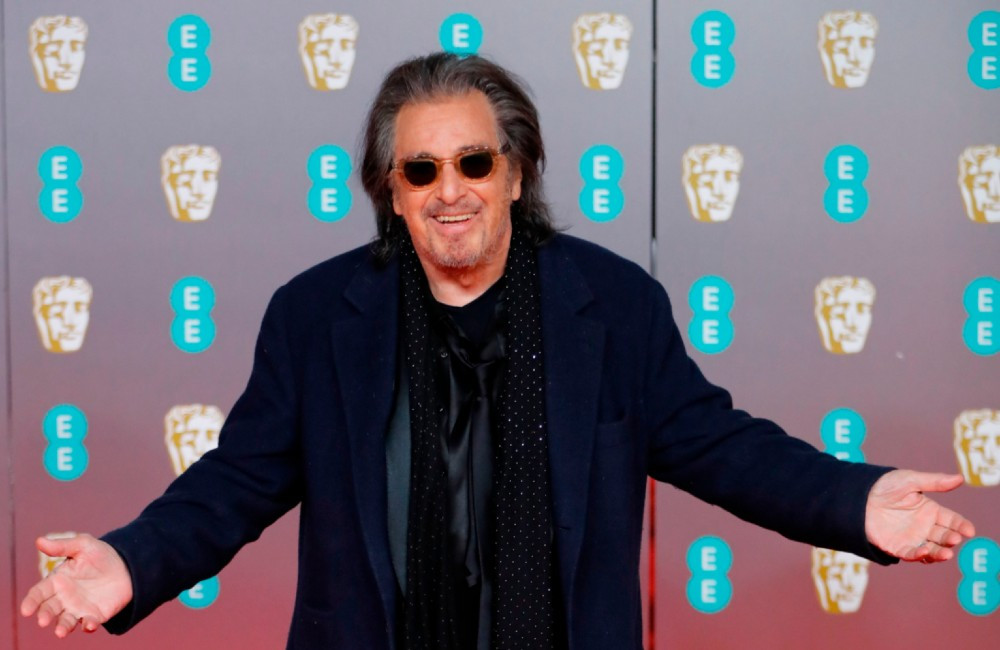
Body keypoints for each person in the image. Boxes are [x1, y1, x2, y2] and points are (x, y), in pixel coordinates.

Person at [21, 53, 975, 649]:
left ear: (516, 173)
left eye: (474, 162)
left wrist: (855, 502)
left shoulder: (613, 307)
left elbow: (722, 446)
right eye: (421, 169)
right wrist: (130, 562)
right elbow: (236, 481)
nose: (451, 190)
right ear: (392, 193)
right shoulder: (316, 317)